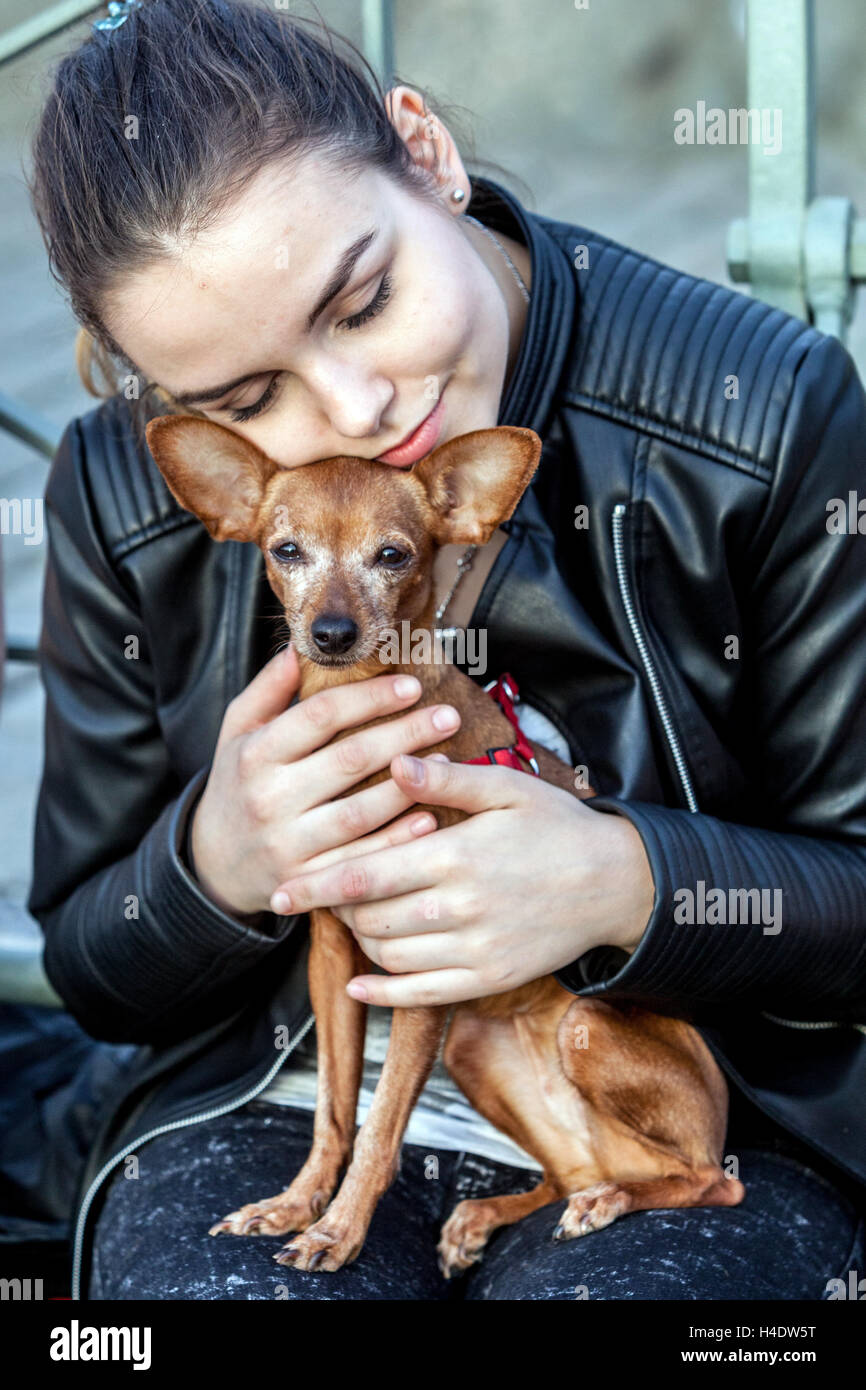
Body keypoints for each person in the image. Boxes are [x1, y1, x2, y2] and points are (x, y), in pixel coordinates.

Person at [24, 0, 865, 1300]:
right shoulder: (120, 491)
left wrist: (628, 880)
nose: (352, 408)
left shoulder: (757, 410)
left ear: (423, 153)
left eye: (363, 300)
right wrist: (217, 859)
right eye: (245, 400)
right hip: (264, 1096)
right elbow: (91, 962)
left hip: (680, 1106)